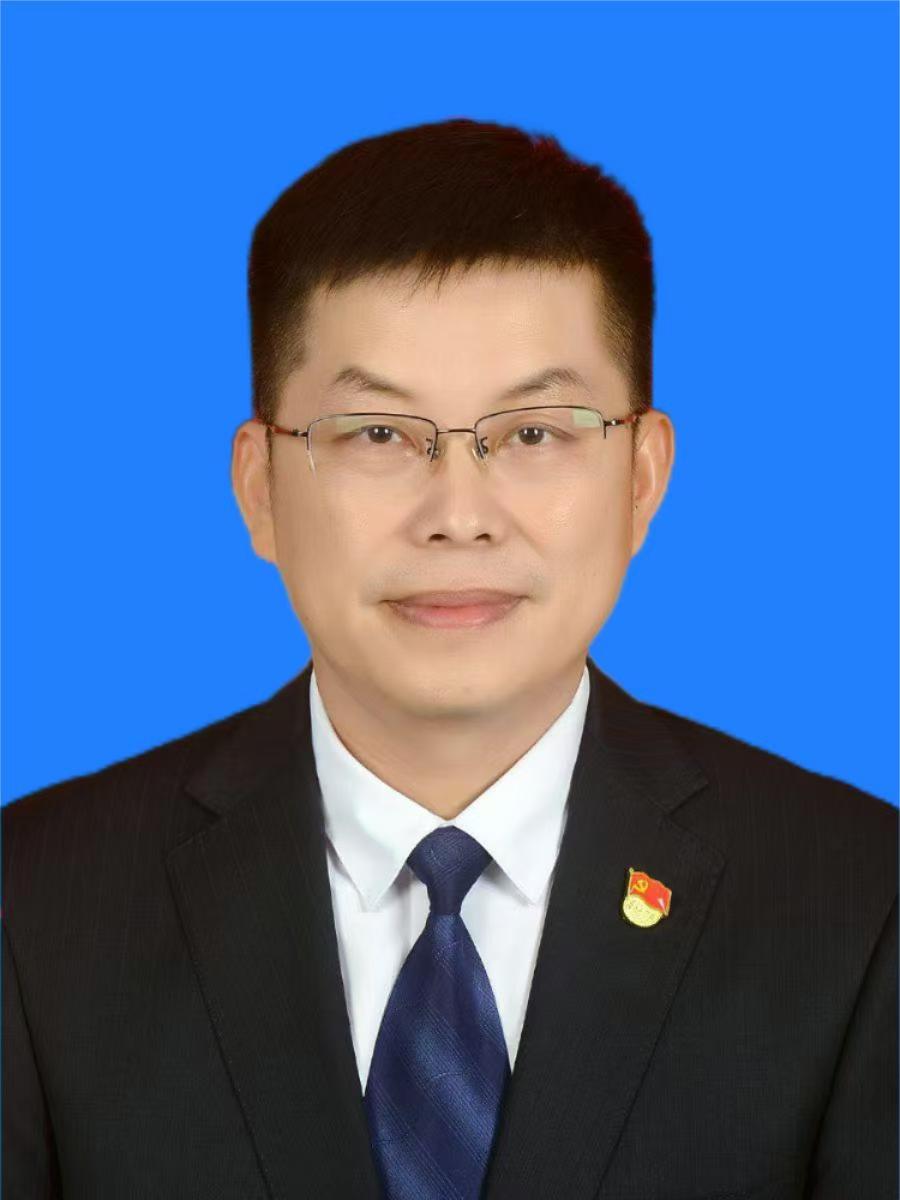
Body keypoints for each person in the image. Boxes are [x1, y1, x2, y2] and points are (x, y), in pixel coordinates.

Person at [3, 117, 896, 1200]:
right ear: (259, 488)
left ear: (642, 478)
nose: (459, 516)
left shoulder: (855, 904)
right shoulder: (38, 907)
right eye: (378, 435)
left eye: (535, 433)